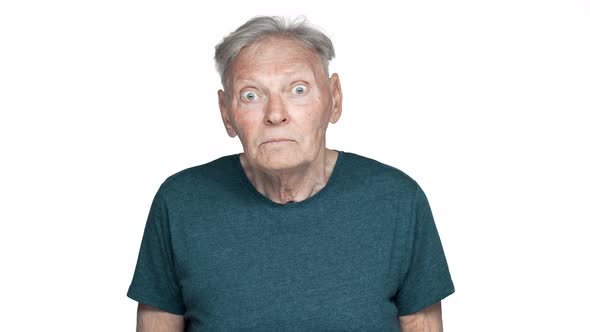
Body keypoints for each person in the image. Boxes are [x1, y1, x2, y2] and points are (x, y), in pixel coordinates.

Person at [127, 15, 455, 332]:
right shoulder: (180, 202)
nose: (275, 114)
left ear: (334, 98)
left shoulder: (397, 199)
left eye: (297, 90)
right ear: (227, 113)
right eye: (251, 95)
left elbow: (422, 325)